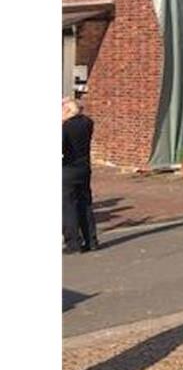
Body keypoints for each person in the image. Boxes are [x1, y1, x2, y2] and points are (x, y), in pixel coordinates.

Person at [62, 97, 99, 253]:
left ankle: (73, 243)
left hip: (68, 169)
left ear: (67, 110)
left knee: (68, 206)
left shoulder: (65, 127)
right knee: (85, 204)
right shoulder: (87, 123)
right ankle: (91, 241)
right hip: (84, 168)